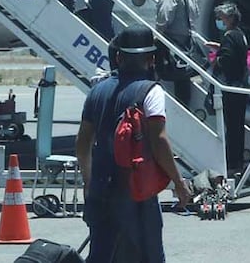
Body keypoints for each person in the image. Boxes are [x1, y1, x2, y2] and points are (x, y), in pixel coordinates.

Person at [76, 26, 192, 262]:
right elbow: (159, 140)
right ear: (151, 60)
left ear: (118, 57)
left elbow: (82, 141)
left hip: (100, 187)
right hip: (136, 190)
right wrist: (179, 183)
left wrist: (89, 181)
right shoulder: (151, 92)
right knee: (149, 256)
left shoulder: (96, 91)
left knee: (102, 255)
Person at [154, 0, 201, 103]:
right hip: (187, 40)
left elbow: (165, 13)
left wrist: (158, 33)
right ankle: (184, 104)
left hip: (173, 41)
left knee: (155, 66)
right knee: (183, 76)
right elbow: (196, 13)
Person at [212, 4, 250, 176]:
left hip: (231, 87)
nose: (219, 21)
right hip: (241, 87)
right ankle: (238, 163)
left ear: (231, 18)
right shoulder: (240, 35)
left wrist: (216, 60)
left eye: (222, 18)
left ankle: (232, 163)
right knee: (238, 128)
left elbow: (227, 60)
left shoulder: (228, 36)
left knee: (231, 128)